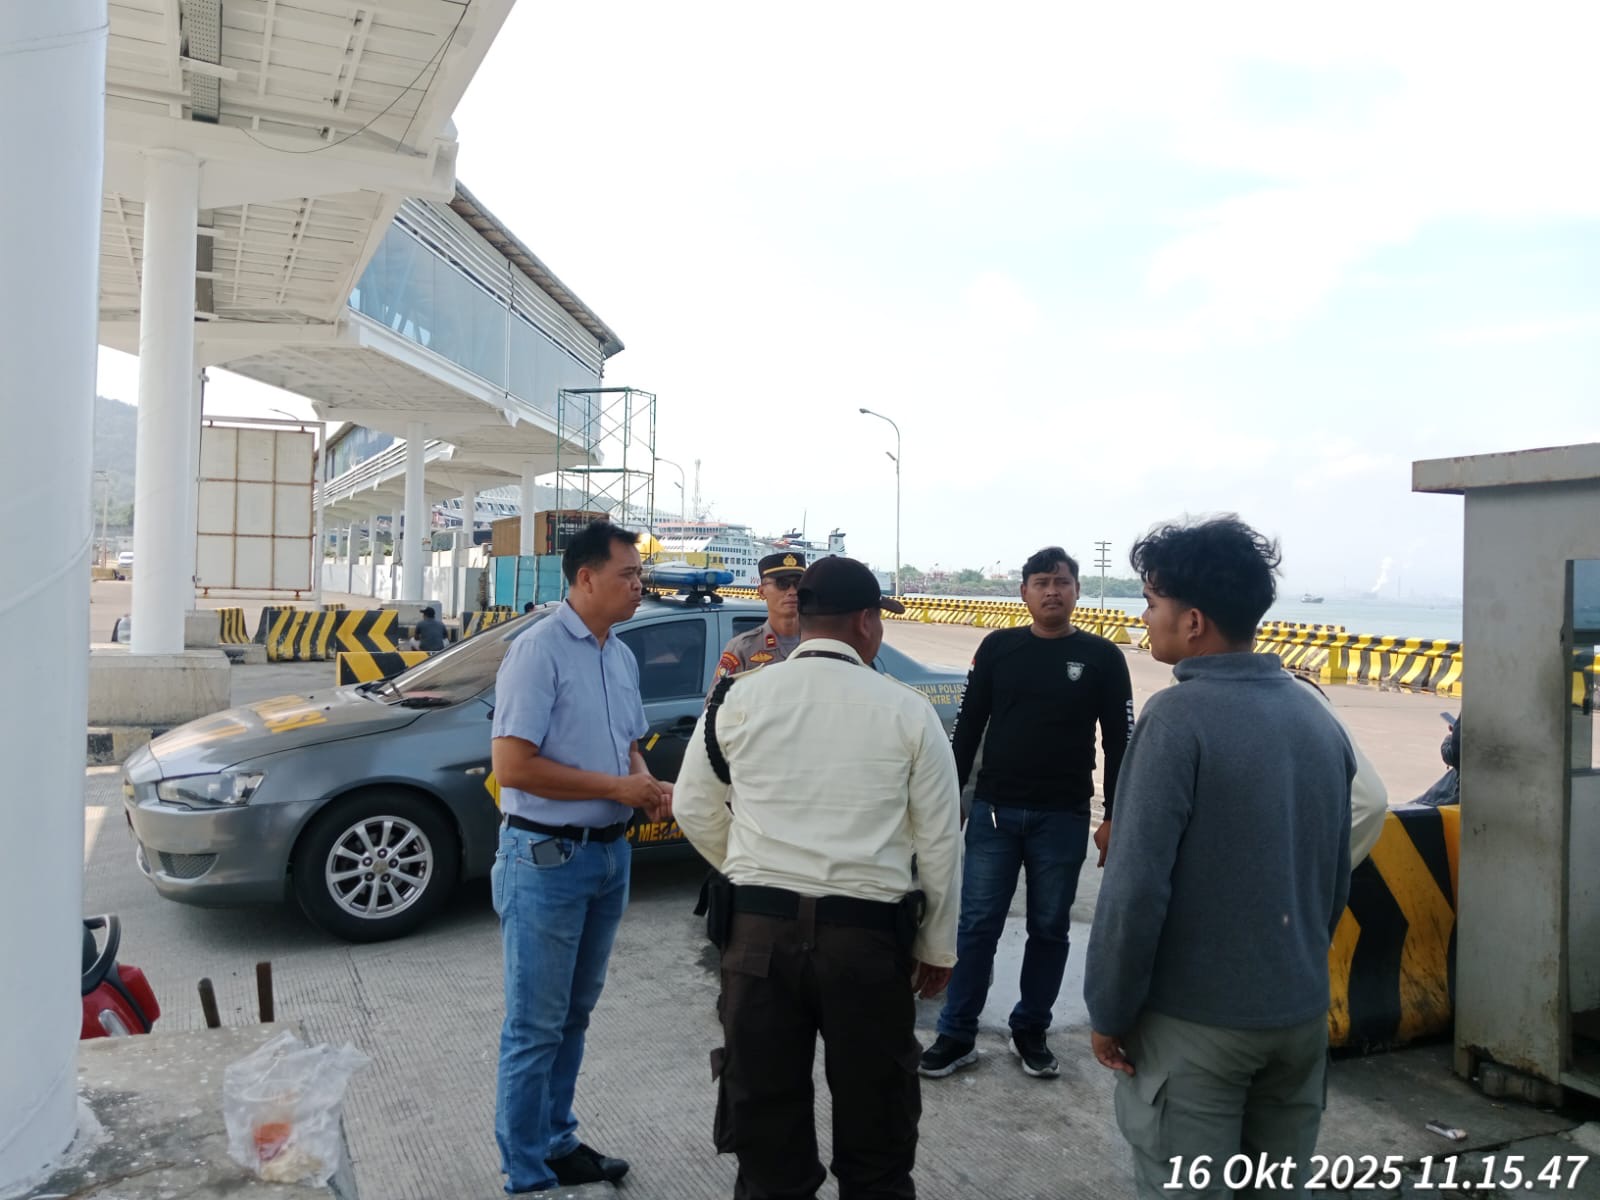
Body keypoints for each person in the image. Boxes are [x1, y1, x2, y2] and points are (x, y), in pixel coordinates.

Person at [674, 555, 962, 1200]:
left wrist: (749, 870)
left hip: (757, 941)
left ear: (803, 617)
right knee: (878, 1136)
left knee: (766, 1139)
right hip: (867, 944)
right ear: (865, 622)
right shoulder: (908, 711)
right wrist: (937, 948)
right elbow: (941, 842)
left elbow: (693, 805)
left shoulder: (738, 697)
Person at [1085, 516, 1354, 1198]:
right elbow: (1333, 881)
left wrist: (1109, 1011)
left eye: (1152, 602)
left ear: (1194, 621)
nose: (1144, 618)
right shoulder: (1318, 719)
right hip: (1297, 1021)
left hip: (1196, 1031)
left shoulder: (1176, 719)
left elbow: (1135, 891)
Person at [489, 520, 673, 1195]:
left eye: (639, 574)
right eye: (629, 574)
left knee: (573, 1015)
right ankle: (527, 1173)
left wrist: (646, 786)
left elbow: (629, 746)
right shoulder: (537, 652)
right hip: (546, 859)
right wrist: (616, 789)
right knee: (534, 1026)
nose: (639, 585)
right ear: (586, 577)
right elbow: (513, 766)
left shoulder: (617, 654)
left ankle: (556, 1142)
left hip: (606, 858)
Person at [920, 546, 1133, 1082]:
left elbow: (1120, 742)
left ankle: (1031, 1029)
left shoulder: (1103, 658)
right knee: (976, 926)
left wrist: (1114, 815)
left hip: (1064, 817)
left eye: (1061, 582)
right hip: (994, 813)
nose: (1052, 591)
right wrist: (951, 802)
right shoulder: (998, 648)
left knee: (1050, 928)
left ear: (1077, 591)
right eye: (1041, 582)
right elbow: (967, 729)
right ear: (1024, 593)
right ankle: (957, 1033)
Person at [707, 551, 807, 698]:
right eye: (782, 584)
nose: (792, 591)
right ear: (761, 591)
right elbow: (714, 704)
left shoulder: (819, 644)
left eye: (798, 584)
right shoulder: (743, 648)